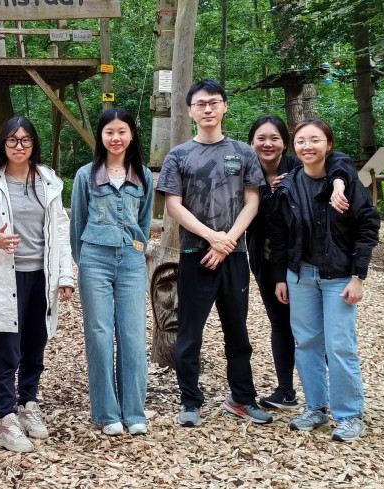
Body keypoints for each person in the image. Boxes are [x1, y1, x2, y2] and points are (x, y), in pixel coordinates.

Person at [156, 79, 272, 427]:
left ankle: (242, 398)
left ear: (224, 107)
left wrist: (228, 241)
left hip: (234, 256)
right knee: (190, 332)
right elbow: (174, 206)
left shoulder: (243, 152)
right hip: (194, 254)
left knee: (237, 331)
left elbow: (253, 201)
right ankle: (190, 401)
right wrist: (211, 237)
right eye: (201, 104)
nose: (208, 109)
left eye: (214, 102)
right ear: (191, 110)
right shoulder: (179, 155)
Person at [269, 118, 380, 442]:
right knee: (306, 343)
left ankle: (349, 415)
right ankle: (316, 407)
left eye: (315, 140)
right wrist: (280, 277)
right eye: (301, 141)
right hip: (300, 275)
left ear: (328, 145)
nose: (307, 146)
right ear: (294, 147)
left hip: (338, 277)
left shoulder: (343, 179)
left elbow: (367, 226)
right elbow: (278, 235)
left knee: (340, 345)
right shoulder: (288, 184)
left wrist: (359, 276)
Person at [0, 117, 74, 452]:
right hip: (8, 276)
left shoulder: (48, 181)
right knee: (7, 348)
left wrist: (65, 275)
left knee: (35, 342)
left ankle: (28, 403)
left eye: (26, 140)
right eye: (13, 140)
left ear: (34, 145)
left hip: (41, 274)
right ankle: (5, 416)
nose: (19, 146)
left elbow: (60, 230)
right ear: (3, 143)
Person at [246, 115, 355, 411]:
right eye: (261, 138)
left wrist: (337, 184)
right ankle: (286, 391)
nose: (267, 144)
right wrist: (268, 191)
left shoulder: (298, 167)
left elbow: (338, 160)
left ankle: (336, 395)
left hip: (305, 261)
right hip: (268, 261)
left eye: (275, 138)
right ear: (251, 142)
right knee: (280, 325)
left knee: (321, 330)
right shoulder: (247, 171)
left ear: (286, 144)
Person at [71, 108, 155, 436]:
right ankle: (107, 414)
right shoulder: (85, 175)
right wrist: (85, 260)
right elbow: (77, 222)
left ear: (132, 135)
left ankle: (134, 412)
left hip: (132, 263)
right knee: (100, 335)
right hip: (94, 260)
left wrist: (135, 249)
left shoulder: (143, 176)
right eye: (109, 132)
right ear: (101, 136)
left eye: (122, 131)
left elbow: (145, 222)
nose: (115, 138)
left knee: (133, 337)